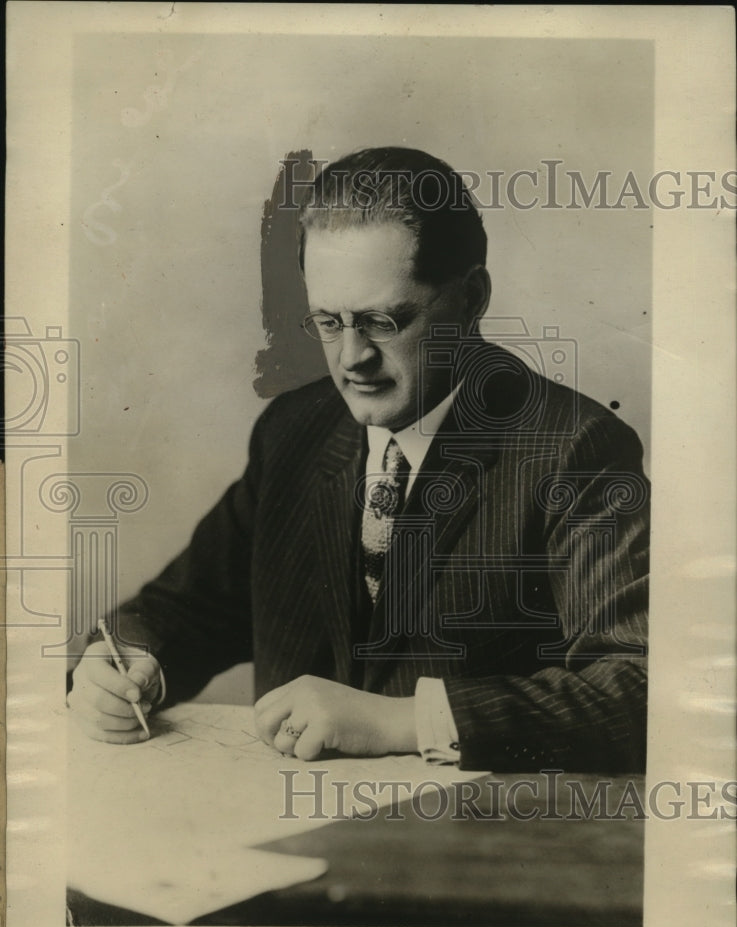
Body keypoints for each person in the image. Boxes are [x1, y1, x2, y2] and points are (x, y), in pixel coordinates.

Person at [67, 147, 649, 772]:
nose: (351, 359)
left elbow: (640, 690)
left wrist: (402, 721)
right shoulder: (296, 429)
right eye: (328, 321)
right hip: (286, 831)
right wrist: (127, 661)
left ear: (471, 297)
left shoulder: (574, 447)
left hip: (479, 843)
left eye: (383, 321)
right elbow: (189, 607)